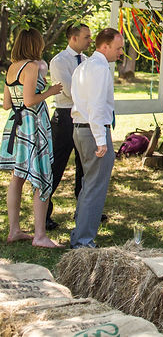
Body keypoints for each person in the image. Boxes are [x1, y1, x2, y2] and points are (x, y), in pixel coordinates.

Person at [2, 28, 64, 247]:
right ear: (34, 45)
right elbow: (30, 100)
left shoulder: (12, 68)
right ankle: (39, 236)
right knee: (42, 175)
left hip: (16, 125)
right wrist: (51, 90)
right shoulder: (31, 67)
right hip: (32, 123)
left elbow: (8, 104)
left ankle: (14, 230)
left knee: (17, 178)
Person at [70, 27, 124, 249]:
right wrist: (101, 140)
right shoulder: (100, 69)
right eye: (118, 48)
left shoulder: (83, 66)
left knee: (88, 184)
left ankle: (79, 235)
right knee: (95, 186)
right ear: (105, 46)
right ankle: (83, 241)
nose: (121, 53)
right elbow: (96, 107)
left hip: (79, 129)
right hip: (93, 131)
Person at [45, 23, 92, 230]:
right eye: (86, 37)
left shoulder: (88, 61)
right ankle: (44, 213)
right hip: (65, 117)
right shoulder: (59, 61)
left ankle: (84, 211)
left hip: (84, 116)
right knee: (56, 165)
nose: (90, 40)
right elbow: (70, 91)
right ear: (73, 38)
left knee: (85, 166)